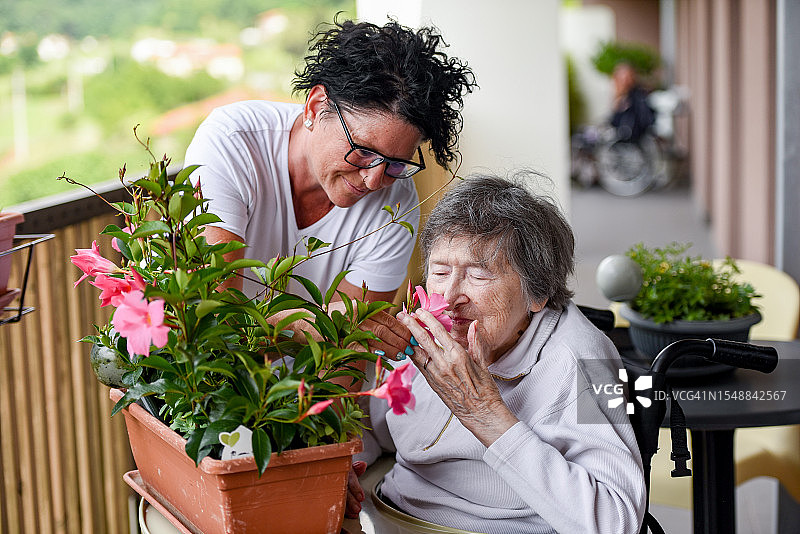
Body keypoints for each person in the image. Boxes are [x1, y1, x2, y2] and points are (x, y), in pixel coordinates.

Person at [348, 172, 646, 533]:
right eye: (440, 272)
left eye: (479, 275)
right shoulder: (425, 333)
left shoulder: (585, 359)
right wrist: (343, 465)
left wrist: (484, 413)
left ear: (538, 293)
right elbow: (373, 429)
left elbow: (617, 521)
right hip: (388, 514)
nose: (451, 297)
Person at [183, 19, 476, 358]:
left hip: (305, 396)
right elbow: (210, 315)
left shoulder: (396, 204)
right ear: (315, 106)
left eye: (396, 163)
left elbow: (344, 358)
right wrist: (310, 324)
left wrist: (321, 335)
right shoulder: (232, 143)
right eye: (363, 151)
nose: (373, 180)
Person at [610, 62, 655, 143]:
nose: (624, 81)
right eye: (621, 78)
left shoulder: (637, 97)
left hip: (631, 141)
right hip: (620, 139)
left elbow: (642, 120)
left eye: (626, 78)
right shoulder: (621, 96)